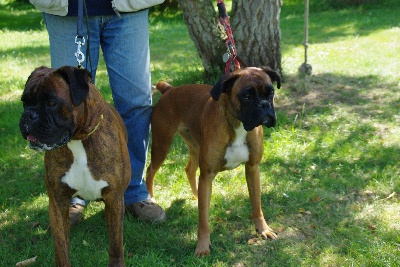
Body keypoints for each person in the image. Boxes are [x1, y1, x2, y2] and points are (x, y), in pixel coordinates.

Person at [30, 0, 166, 224]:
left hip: (128, 7)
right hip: (68, 10)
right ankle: (74, 191)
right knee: (68, 104)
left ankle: (133, 191)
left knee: (136, 101)